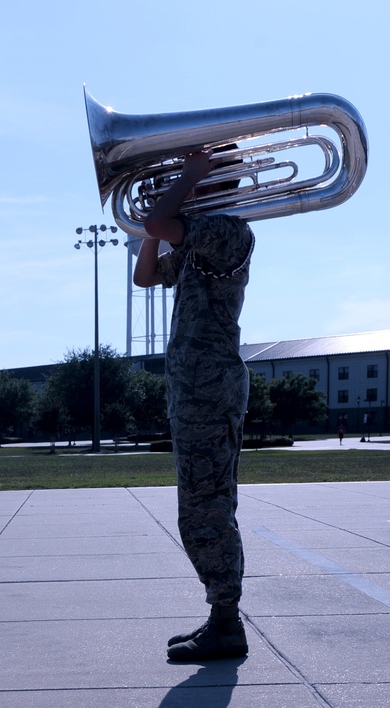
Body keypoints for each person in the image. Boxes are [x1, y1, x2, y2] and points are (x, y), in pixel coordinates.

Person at [133, 148, 254, 663]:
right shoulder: (199, 237)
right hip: (194, 393)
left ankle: (227, 624)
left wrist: (184, 178)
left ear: (215, 182)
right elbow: (144, 275)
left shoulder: (229, 232)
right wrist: (157, 217)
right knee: (200, 509)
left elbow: (161, 218)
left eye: (204, 179)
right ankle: (220, 617)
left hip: (209, 392)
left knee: (205, 513)